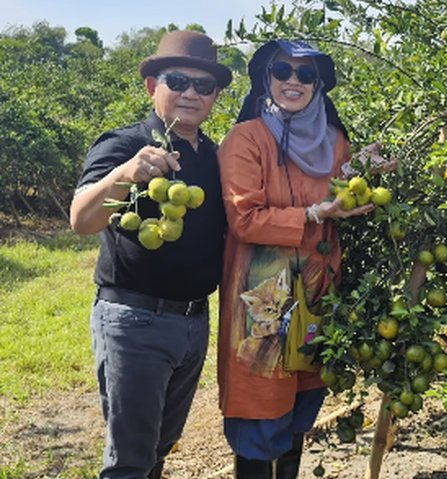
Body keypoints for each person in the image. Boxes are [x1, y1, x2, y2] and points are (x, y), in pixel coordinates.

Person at [70, 30, 232, 479]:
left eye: (203, 86)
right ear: (152, 87)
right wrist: (126, 173)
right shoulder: (124, 143)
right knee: (130, 460)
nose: (190, 93)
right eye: (177, 81)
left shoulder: (216, 157)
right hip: (133, 321)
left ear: (215, 95)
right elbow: (82, 219)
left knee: (159, 447)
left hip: (193, 323)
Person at [217, 39, 375, 479]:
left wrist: (368, 173)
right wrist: (311, 214)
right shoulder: (246, 139)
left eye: (306, 75)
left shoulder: (334, 140)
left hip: (319, 293)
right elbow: (244, 219)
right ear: (266, 79)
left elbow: (343, 190)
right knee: (261, 408)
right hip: (261, 303)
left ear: (319, 84)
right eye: (282, 71)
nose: (293, 81)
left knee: (302, 401)